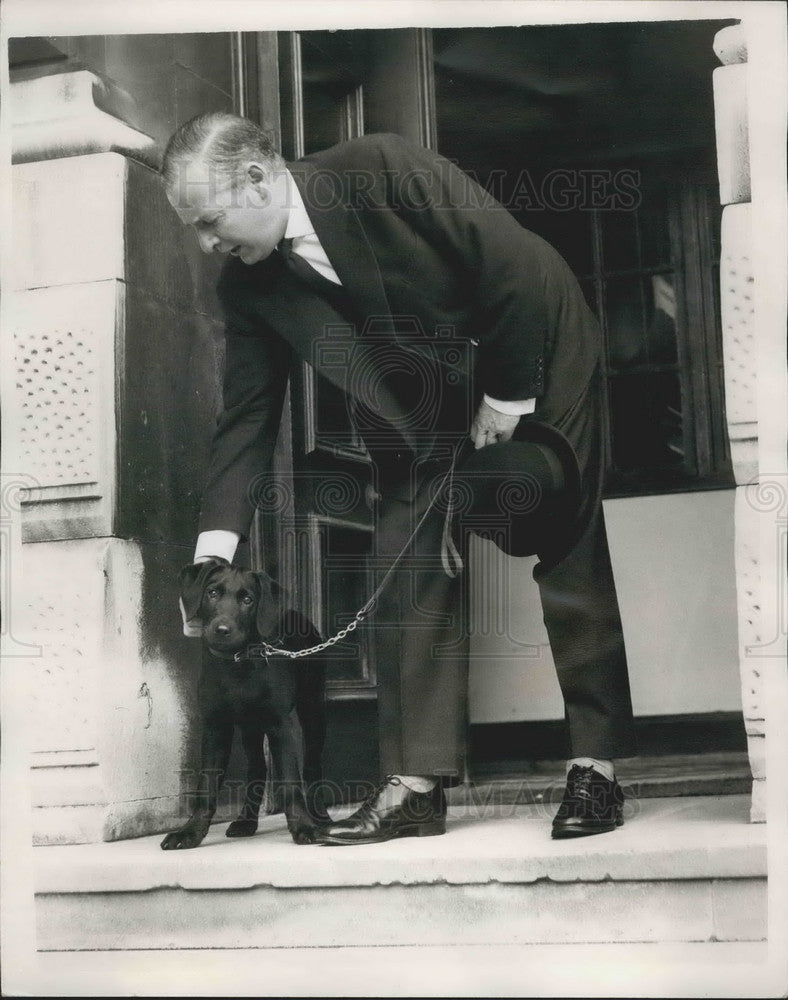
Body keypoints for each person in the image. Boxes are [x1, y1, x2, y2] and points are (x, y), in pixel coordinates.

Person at [162, 111, 636, 845]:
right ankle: (416, 785)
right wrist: (211, 552)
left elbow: (508, 263)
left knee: (565, 532)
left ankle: (596, 770)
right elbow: (247, 420)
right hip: (425, 404)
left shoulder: (380, 169)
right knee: (404, 546)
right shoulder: (249, 287)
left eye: (210, 220)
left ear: (256, 178)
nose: (206, 242)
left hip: (535, 341)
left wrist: (508, 395)